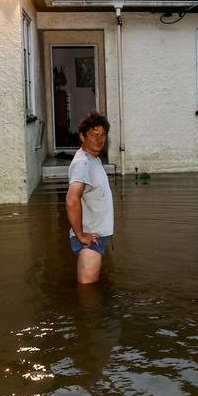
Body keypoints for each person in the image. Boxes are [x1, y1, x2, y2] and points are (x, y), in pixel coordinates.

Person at [65, 112, 114, 284]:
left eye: (103, 135)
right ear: (82, 136)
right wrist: (81, 235)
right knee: (88, 296)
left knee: (90, 292)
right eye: (94, 135)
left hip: (96, 238)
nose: (99, 140)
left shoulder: (93, 159)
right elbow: (72, 199)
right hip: (90, 243)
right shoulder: (83, 163)